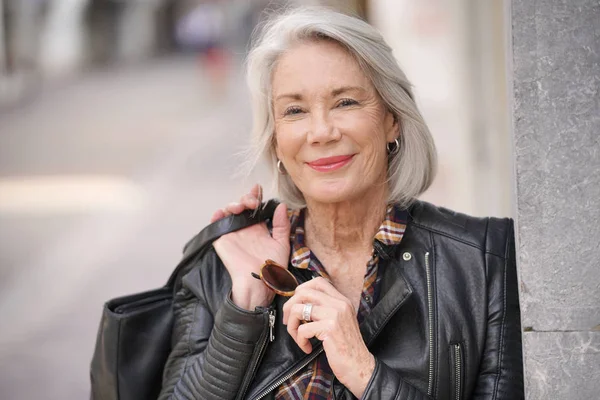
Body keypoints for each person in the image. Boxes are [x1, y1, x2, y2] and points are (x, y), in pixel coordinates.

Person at [158, 6, 523, 400]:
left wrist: (364, 372)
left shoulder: (484, 260)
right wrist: (245, 308)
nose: (321, 131)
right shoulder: (223, 266)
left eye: (345, 102)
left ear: (391, 119)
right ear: (276, 139)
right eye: (294, 110)